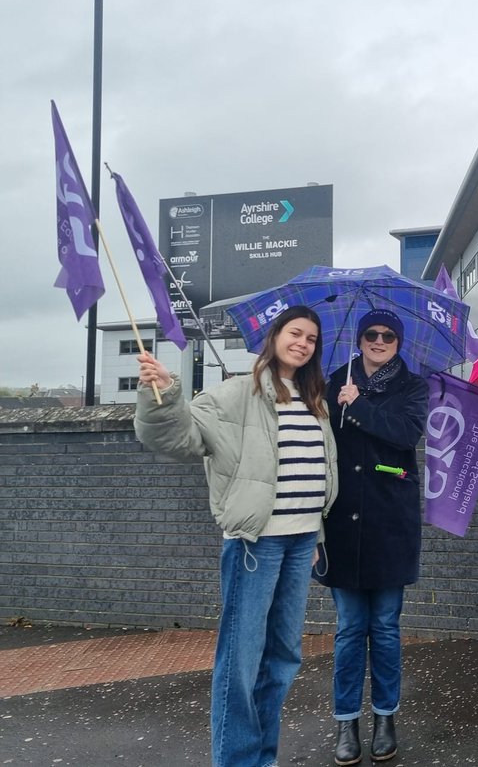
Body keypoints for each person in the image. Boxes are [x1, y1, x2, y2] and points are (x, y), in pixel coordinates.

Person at [134, 305, 338, 767]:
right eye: (295, 333)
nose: (302, 343)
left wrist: (317, 534)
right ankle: (237, 761)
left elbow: (316, 473)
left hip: (302, 540)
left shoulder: (313, 400)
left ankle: (261, 758)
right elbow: (178, 439)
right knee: (241, 662)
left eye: (311, 338)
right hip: (255, 544)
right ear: (274, 336)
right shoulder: (234, 394)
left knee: (283, 657)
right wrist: (163, 391)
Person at [316, 309, 429, 766]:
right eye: (371, 335)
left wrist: (358, 405)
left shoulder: (413, 387)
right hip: (343, 523)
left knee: (383, 628)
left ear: (398, 343)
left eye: (388, 336)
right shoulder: (330, 382)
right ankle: (346, 721)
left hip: (390, 523)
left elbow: (405, 434)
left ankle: (385, 718)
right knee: (348, 630)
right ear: (359, 340)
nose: (379, 341)